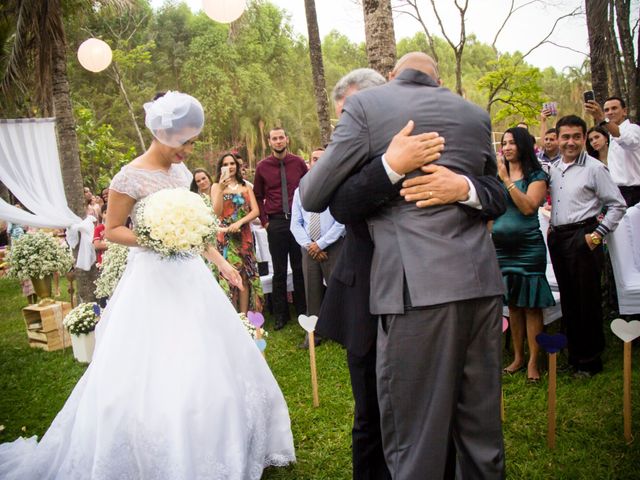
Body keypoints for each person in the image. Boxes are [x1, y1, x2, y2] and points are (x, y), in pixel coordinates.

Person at [0, 91, 295, 479]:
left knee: (209, 355)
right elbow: (115, 230)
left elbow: (196, 226)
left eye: (192, 142)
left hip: (190, 275)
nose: (189, 151)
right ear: (164, 135)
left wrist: (221, 261)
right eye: (185, 143)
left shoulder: (182, 175)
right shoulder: (128, 176)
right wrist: (156, 239)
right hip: (151, 279)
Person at [301, 52, 506, 479]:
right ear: (438, 78)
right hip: (480, 286)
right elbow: (348, 200)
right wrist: (391, 166)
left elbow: (313, 194)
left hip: (414, 294)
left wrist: (461, 187)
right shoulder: (473, 113)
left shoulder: (367, 106)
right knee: (481, 433)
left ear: (392, 78)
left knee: (414, 438)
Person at [547, 114, 626, 378]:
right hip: (558, 239)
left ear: (584, 138)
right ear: (557, 139)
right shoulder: (554, 167)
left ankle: (590, 361)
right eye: (565, 137)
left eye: (576, 137)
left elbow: (617, 204)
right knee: (569, 300)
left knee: (587, 301)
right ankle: (574, 355)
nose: (570, 142)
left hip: (584, 238)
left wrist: (598, 234)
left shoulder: (594, 168)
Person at [493, 127, 555, 383]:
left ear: (522, 146)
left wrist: (507, 180)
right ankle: (518, 357)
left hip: (528, 249)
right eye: (504, 143)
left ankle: (533, 362)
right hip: (501, 250)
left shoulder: (536, 174)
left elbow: (529, 207)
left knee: (531, 306)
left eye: (511, 143)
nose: (506, 148)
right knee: (514, 305)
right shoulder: (497, 176)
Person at [253, 128, 307, 330]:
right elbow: (257, 195)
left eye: (281, 137)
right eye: (274, 138)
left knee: (300, 268)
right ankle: (281, 316)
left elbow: (308, 187)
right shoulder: (262, 167)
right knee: (279, 271)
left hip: (297, 222)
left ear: (287, 139)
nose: (278, 141)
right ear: (269, 142)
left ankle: (303, 311)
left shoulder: (299, 163)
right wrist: (265, 221)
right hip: (275, 223)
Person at [290, 147, 345, 348]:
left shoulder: (336, 187)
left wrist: (321, 244)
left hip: (333, 246)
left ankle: (342, 333)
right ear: (309, 163)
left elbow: (341, 221)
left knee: (337, 290)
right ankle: (314, 335)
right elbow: (295, 223)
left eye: (322, 159)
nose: (317, 162)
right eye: (314, 159)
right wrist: (310, 245)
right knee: (312, 292)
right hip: (308, 249)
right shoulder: (300, 191)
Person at [211, 152, 264, 313]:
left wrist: (240, 222)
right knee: (230, 276)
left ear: (237, 165)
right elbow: (216, 211)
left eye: (232, 163)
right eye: (225, 164)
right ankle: (232, 317)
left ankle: (245, 317)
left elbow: (255, 211)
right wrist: (220, 189)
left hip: (244, 236)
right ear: (221, 167)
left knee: (246, 276)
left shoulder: (246, 186)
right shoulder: (215, 187)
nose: (229, 167)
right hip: (225, 236)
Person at [585, 96, 640, 206]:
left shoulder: (633, 129)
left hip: (633, 192)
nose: (610, 112)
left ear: (624, 111)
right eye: (606, 110)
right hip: (616, 193)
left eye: (614, 108)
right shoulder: (611, 136)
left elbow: (626, 140)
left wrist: (602, 119)